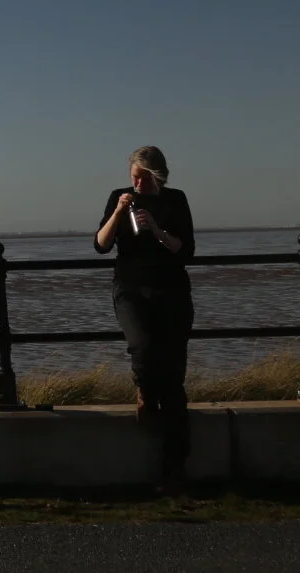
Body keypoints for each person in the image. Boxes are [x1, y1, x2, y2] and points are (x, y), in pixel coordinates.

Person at [93, 145, 195, 486]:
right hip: (131, 288)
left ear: (157, 175)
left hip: (171, 290)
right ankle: (143, 391)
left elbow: (186, 250)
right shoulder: (119, 197)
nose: (136, 183)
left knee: (174, 378)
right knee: (141, 346)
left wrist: (155, 228)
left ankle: (175, 465)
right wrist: (118, 214)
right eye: (132, 176)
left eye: (142, 177)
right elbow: (101, 244)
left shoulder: (175, 200)